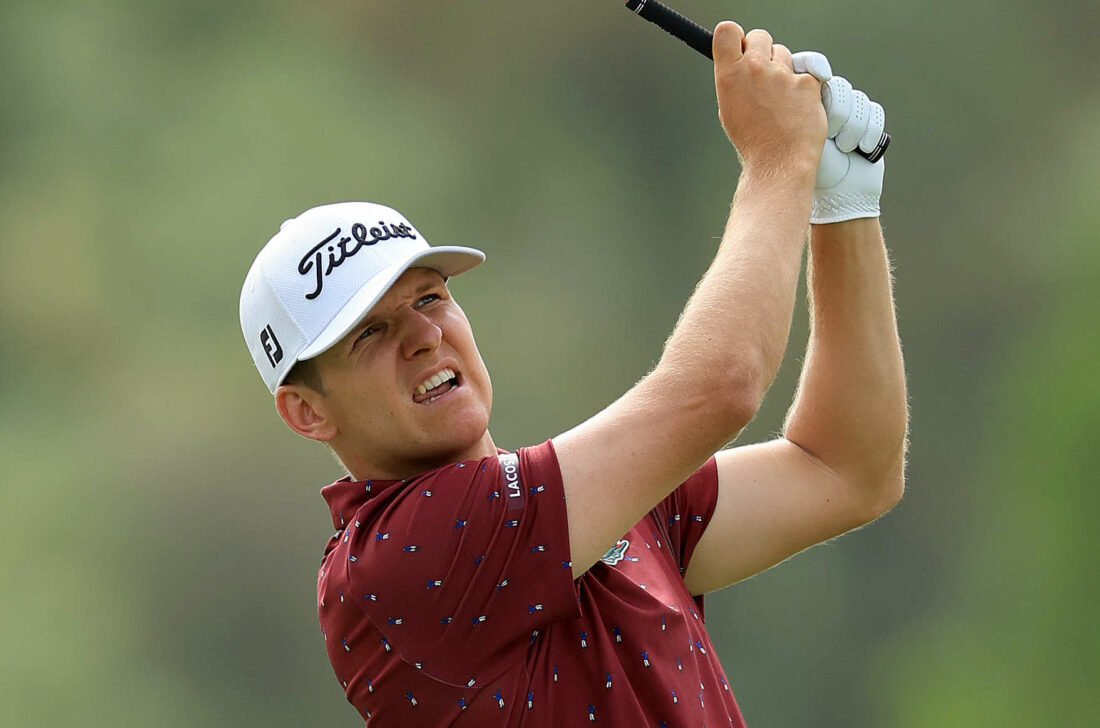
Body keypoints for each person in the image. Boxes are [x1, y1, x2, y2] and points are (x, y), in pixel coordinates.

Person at [238, 21, 908, 727]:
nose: (425, 337)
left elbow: (847, 470)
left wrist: (844, 209)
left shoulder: (590, 504)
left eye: (431, 297)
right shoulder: (391, 563)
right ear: (306, 411)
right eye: (370, 332)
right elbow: (720, 386)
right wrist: (778, 162)